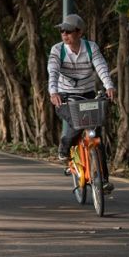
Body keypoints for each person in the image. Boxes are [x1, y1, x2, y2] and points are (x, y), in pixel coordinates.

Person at [48, 13, 116, 191]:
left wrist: (109, 86)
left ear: (79, 32)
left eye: (69, 31)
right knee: (77, 125)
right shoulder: (58, 50)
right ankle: (65, 146)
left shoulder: (90, 47)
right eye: (62, 31)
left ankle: (104, 180)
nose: (65, 35)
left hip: (87, 95)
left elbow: (100, 66)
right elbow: (53, 71)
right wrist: (53, 91)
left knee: (95, 135)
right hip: (64, 96)